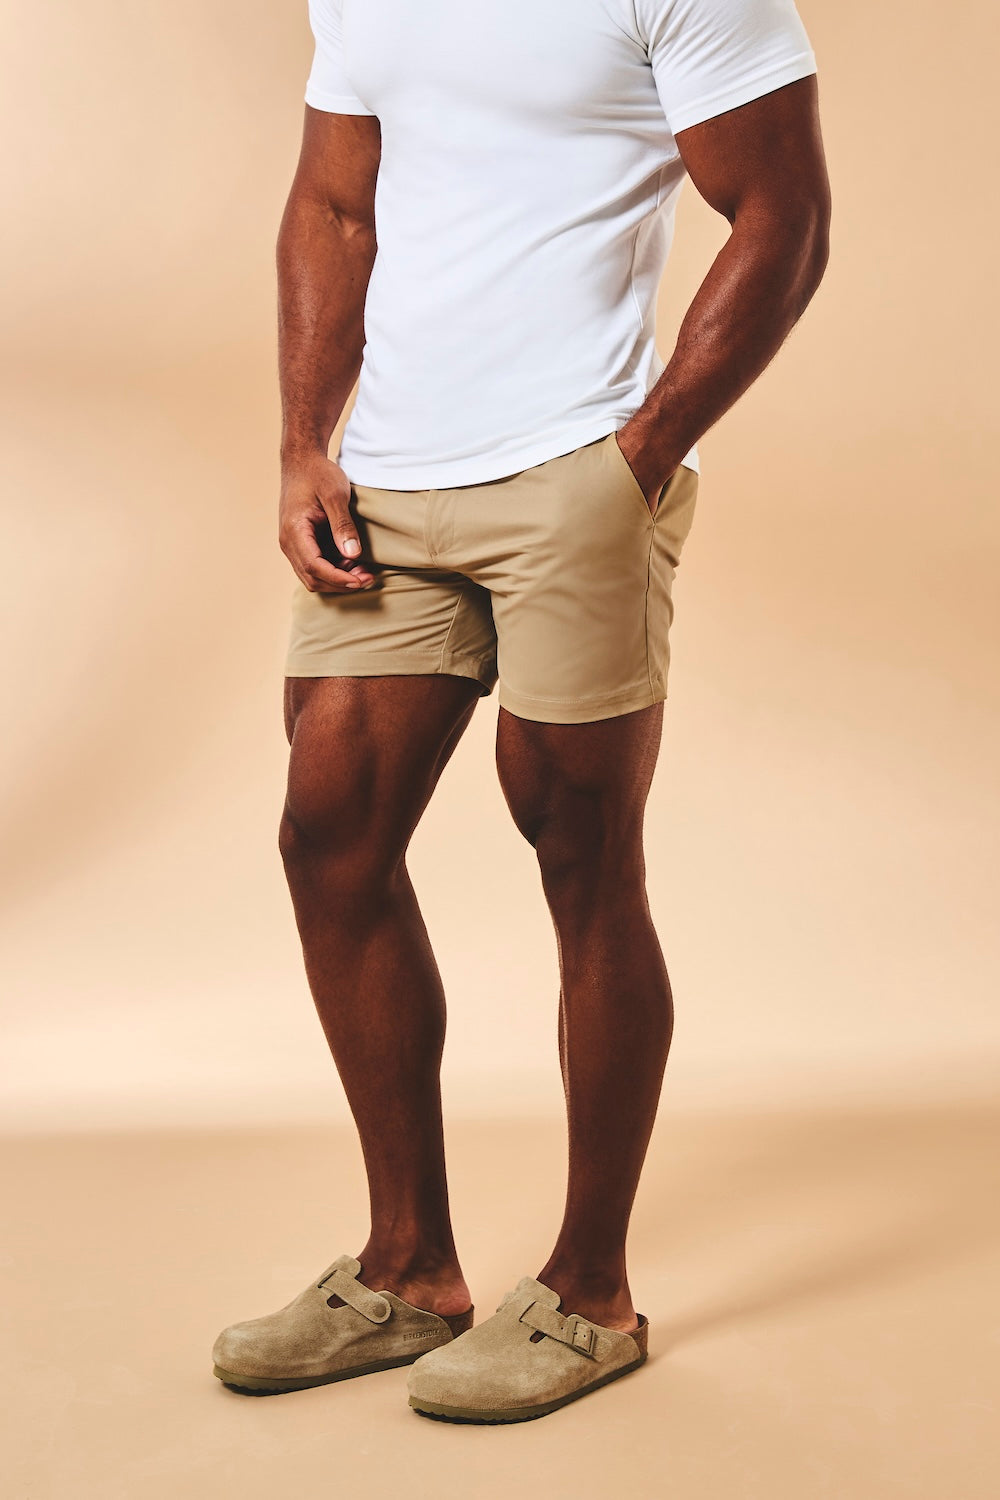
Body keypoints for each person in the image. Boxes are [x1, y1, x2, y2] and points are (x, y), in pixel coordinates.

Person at [212, 0, 831, 1423]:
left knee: (580, 852)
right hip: (387, 480)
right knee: (329, 835)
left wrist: (641, 455)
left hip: (576, 464)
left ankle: (589, 1293)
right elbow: (333, 202)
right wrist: (305, 443)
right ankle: (407, 1272)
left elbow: (783, 216)